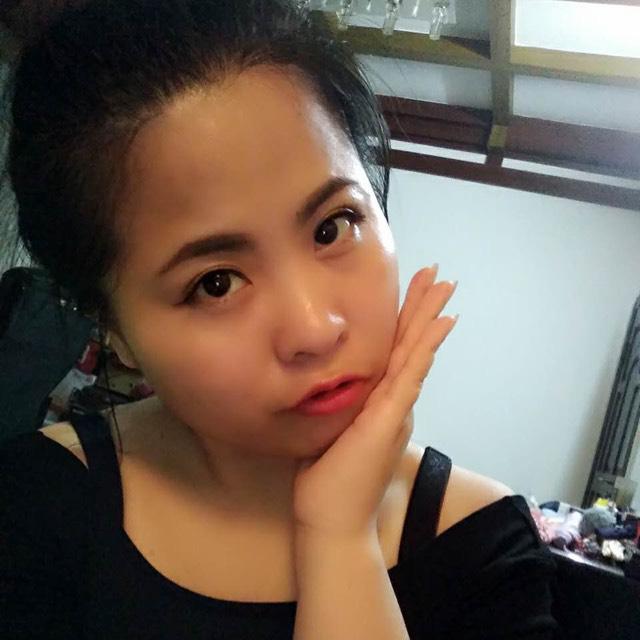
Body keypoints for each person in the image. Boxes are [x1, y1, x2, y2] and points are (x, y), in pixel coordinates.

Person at [0, 1, 561, 638]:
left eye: (333, 227)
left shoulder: (481, 543)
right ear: (114, 327)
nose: (315, 330)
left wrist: (341, 539)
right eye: (215, 284)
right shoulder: (34, 507)